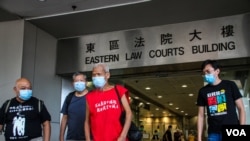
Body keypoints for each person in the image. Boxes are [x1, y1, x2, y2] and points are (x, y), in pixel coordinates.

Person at [196, 59, 246, 141]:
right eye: (204, 73)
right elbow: (201, 116)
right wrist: (199, 138)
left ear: (217, 71)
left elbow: (241, 109)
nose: (205, 75)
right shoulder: (203, 91)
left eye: (208, 71)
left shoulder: (230, 85)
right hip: (213, 132)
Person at [84, 63, 132, 141]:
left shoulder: (119, 90)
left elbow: (129, 113)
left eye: (99, 74)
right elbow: (86, 121)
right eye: (94, 75)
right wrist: (88, 139)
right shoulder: (89, 96)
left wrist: (123, 136)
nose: (96, 77)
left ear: (107, 75)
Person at [59, 72, 89, 141]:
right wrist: (61, 137)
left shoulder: (92, 97)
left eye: (81, 81)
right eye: (76, 81)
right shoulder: (69, 97)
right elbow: (64, 118)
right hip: (71, 138)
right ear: (73, 83)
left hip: (89, 138)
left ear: (86, 82)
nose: (79, 83)